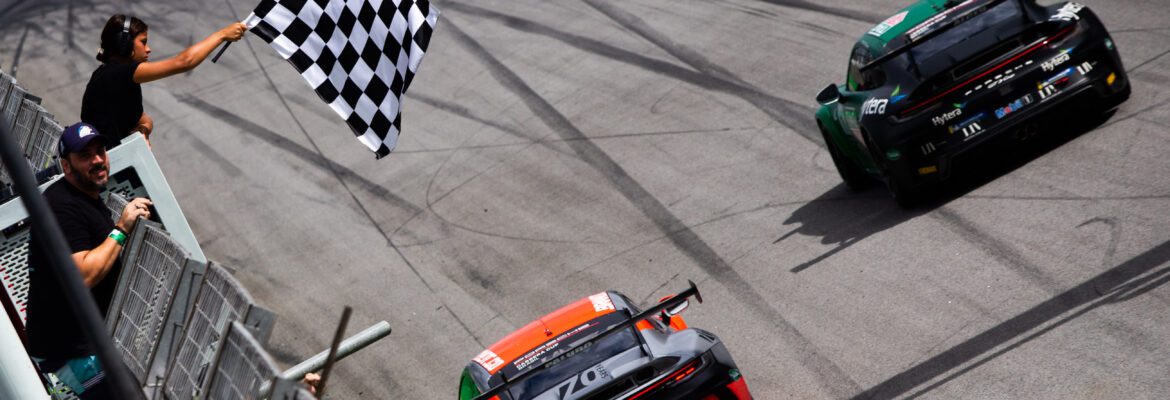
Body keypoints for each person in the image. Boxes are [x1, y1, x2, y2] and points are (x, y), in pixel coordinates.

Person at [23, 122, 152, 399]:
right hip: (70, 348)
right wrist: (122, 229)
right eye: (85, 156)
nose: (97, 160)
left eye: (100, 151)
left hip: (84, 340)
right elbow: (83, 275)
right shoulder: (62, 208)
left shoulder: (81, 195)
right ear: (66, 166)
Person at [81, 14, 246, 146]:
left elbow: (144, 120)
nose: (148, 49)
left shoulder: (112, 75)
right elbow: (184, 62)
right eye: (143, 42)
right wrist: (222, 35)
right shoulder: (117, 73)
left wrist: (143, 131)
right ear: (125, 44)